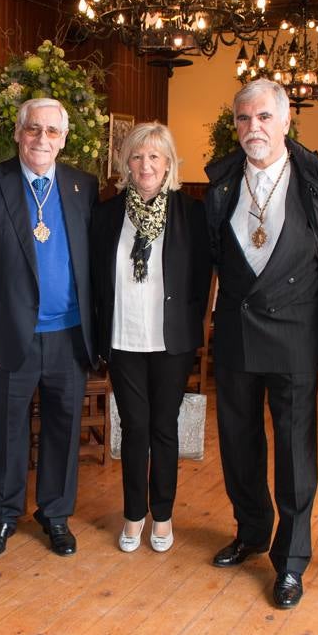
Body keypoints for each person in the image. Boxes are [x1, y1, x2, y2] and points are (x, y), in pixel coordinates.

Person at [203, 79, 318, 609]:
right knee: (239, 442)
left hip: (293, 332)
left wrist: (307, 309)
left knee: (294, 452)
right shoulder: (220, 184)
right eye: (243, 119)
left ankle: (290, 561)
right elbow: (215, 258)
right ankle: (251, 532)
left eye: (264, 117)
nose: (253, 128)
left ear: (287, 121)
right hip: (238, 332)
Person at [0, 97, 98, 559]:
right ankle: (1, 516)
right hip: (8, 333)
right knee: (8, 430)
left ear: (64, 139)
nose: (42, 140)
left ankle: (55, 515)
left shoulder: (82, 186)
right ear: (18, 133)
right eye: (34, 129)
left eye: (52, 132)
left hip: (70, 335)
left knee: (63, 428)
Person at [90, 122, 211, 554]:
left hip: (171, 342)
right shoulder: (107, 215)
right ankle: (133, 513)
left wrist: (188, 324)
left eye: (154, 156)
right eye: (138, 156)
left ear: (168, 164)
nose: (146, 164)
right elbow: (96, 280)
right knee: (134, 428)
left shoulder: (191, 213)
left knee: (164, 429)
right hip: (123, 339)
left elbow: (200, 280)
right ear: (127, 163)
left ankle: (162, 516)